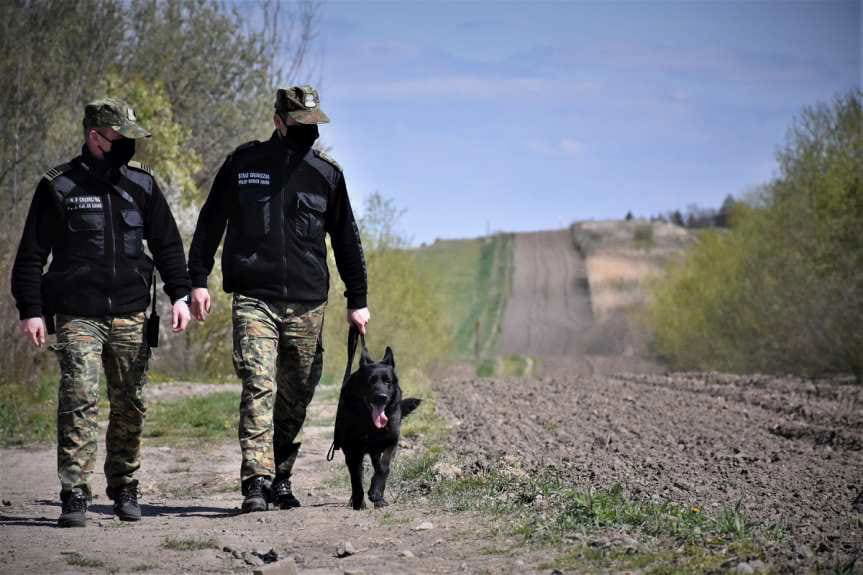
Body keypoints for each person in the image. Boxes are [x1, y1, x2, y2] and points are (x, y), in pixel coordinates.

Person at [10, 98, 192, 527]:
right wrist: (31, 310)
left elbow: (167, 245)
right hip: (77, 314)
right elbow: (31, 254)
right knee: (79, 398)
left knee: (130, 402)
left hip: (131, 311)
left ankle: (125, 486)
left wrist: (180, 294)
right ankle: (74, 492)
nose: (128, 145)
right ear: (95, 137)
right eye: (120, 138)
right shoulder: (58, 185)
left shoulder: (142, 185)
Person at [188, 85, 369, 513]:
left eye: (314, 125)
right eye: (300, 124)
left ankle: (281, 476)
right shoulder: (243, 163)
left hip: (309, 301)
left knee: (296, 394)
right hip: (255, 296)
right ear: (278, 121)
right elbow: (210, 223)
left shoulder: (327, 175)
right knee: (259, 384)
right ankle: (256, 479)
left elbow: (347, 240)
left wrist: (357, 299)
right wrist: (196, 281)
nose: (309, 131)